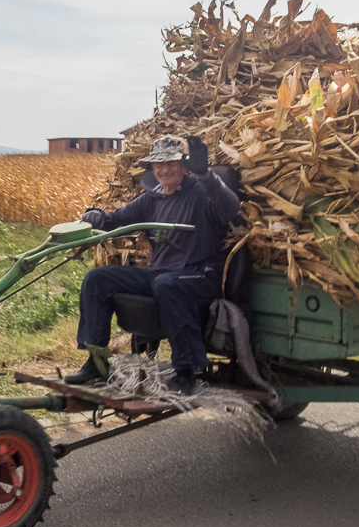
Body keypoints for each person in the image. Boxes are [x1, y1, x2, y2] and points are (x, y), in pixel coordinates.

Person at [65, 134, 240, 393]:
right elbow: (118, 218)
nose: (164, 169)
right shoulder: (152, 198)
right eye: (159, 165)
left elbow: (231, 208)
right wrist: (97, 216)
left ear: (183, 165)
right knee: (97, 280)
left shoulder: (200, 191)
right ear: (152, 168)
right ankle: (96, 362)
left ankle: (186, 370)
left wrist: (206, 175)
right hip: (161, 275)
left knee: (166, 284)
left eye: (171, 163)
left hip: (200, 273)